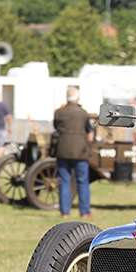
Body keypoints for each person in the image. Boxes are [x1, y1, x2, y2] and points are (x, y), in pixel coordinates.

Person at [52, 86, 94, 219]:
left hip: (63, 149)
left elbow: (55, 126)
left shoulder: (59, 112)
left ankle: (65, 212)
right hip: (79, 150)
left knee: (64, 181)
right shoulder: (82, 113)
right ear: (77, 98)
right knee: (82, 181)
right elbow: (88, 128)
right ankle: (85, 212)